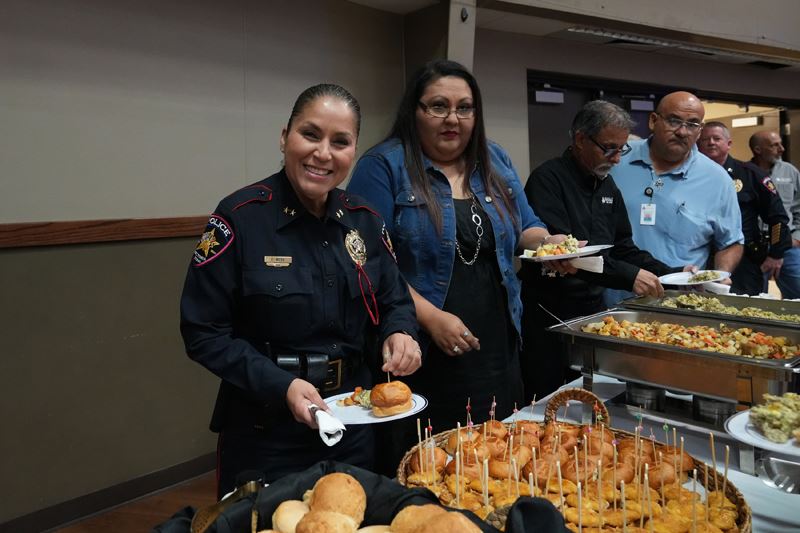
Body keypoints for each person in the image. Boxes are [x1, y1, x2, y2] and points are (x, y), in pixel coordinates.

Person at [180, 84, 422, 497]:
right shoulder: (239, 218)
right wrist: (282, 386)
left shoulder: (364, 219)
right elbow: (203, 332)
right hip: (265, 430)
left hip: (354, 422)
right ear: (284, 137)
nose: (323, 153)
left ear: (353, 151)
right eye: (310, 134)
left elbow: (394, 300)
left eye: (340, 142)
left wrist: (401, 333)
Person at [347, 60, 565, 435]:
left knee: (497, 452)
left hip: (498, 343)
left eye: (464, 107)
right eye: (438, 106)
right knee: (432, 465)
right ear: (414, 112)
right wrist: (431, 318)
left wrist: (551, 244)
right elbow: (368, 263)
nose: (453, 118)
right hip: (421, 349)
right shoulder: (384, 166)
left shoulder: (493, 158)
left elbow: (526, 226)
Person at [520, 101, 689, 400]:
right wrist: (629, 276)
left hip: (591, 313)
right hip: (548, 314)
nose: (616, 159)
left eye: (621, 150)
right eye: (608, 148)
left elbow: (623, 248)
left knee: (587, 397)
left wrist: (676, 275)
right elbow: (570, 257)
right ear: (581, 139)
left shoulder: (607, 186)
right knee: (546, 400)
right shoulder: (548, 179)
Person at [606, 91, 744, 305]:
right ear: (653, 120)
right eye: (674, 121)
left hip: (679, 305)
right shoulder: (616, 160)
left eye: (692, 124)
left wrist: (719, 275)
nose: (682, 131)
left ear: (699, 131)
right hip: (611, 299)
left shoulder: (717, 180)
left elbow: (731, 242)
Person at [698, 123, 790, 295]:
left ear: (728, 144)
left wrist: (776, 254)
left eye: (717, 138)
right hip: (700, 257)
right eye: (705, 139)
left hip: (744, 259)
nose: (711, 142)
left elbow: (777, 218)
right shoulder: (691, 175)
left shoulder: (751, 174)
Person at [750, 130, 800, 299]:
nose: (782, 149)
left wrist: (798, 238)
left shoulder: (790, 171)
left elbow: (798, 207)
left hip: (788, 245)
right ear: (758, 149)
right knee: (756, 297)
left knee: (797, 293)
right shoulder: (746, 173)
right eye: (774, 145)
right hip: (756, 246)